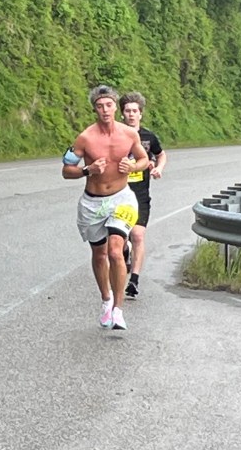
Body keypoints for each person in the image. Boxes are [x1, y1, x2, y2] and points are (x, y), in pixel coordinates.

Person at [62, 84, 150, 330]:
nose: (105, 110)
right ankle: (106, 300)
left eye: (109, 105)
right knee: (100, 254)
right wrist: (87, 170)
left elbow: (144, 159)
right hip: (92, 203)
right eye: (100, 106)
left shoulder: (129, 135)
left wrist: (133, 167)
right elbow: (66, 170)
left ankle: (118, 310)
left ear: (115, 107)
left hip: (122, 198)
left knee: (115, 250)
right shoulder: (85, 138)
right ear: (95, 109)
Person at [119, 92, 167, 298]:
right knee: (120, 239)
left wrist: (158, 168)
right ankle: (125, 253)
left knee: (138, 235)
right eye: (127, 111)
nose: (131, 114)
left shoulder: (148, 137)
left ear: (141, 114)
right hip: (118, 194)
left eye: (134, 111)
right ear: (122, 114)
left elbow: (161, 154)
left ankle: (134, 280)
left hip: (140, 194)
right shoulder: (115, 135)